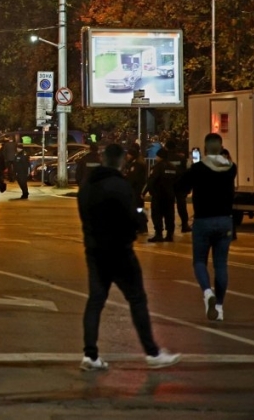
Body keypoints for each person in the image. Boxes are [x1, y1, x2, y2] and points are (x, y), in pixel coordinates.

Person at [77, 144, 181, 372]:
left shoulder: (87, 185)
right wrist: (139, 221)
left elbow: (84, 215)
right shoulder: (120, 185)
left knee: (95, 301)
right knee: (137, 299)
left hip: (94, 250)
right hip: (119, 251)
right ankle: (152, 353)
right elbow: (131, 217)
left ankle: (90, 355)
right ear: (121, 160)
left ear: (103, 158)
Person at [176, 133, 237, 321]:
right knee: (221, 264)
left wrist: (188, 169)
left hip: (203, 221)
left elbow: (181, 188)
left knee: (200, 261)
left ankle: (208, 293)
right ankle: (219, 307)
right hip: (225, 220)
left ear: (204, 149)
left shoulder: (198, 169)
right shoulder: (231, 168)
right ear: (221, 147)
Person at [145, 148, 177, 242]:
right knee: (169, 215)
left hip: (158, 195)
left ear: (160, 156)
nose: (156, 157)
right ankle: (169, 235)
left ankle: (158, 234)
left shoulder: (157, 167)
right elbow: (177, 182)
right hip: (170, 196)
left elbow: (151, 180)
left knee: (157, 215)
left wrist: (148, 192)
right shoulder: (173, 167)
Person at [166, 139, 191, 233]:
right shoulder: (181, 158)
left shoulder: (165, 159)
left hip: (169, 185)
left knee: (169, 207)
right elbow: (186, 172)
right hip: (180, 185)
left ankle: (170, 228)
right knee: (181, 206)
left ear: (166, 147)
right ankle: (184, 225)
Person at [123, 146, 148, 234]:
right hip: (136, 191)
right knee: (138, 209)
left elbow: (133, 179)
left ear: (132, 155)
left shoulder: (136, 165)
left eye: (128, 154)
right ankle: (141, 227)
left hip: (136, 191)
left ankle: (142, 227)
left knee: (138, 209)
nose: (127, 156)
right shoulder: (135, 164)